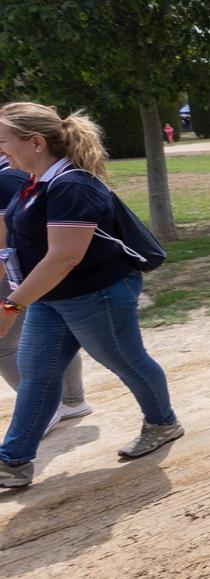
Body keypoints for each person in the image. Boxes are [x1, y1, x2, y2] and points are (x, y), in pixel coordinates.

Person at [0, 103, 186, 487]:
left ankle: (163, 422)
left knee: (127, 362)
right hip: (54, 296)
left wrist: (13, 303)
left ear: (35, 142)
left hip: (95, 293)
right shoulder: (35, 182)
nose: (0, 151)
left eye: (3, 141)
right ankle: (12, 462)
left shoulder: (72, 185)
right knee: (37, 374)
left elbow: (64, 257)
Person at [0, 154, 92, 435]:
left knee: (3, 346)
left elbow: (3, 242)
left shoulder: (5, 178)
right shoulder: (22, 173)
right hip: (38, 268)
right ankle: (72, 400)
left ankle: (46, 410)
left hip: (15, 271)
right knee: (53, 336)